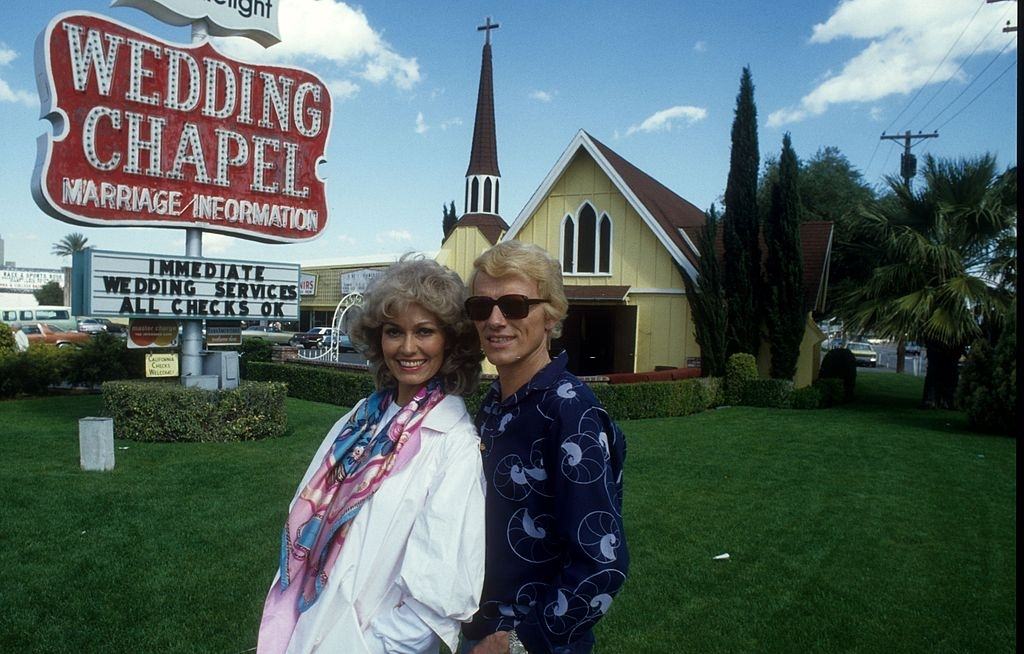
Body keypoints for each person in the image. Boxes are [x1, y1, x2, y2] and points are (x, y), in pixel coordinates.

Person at [258, 256, 486, 654]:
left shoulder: (455, 444)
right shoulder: (361, 419)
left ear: (449, 342)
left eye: (425, 331)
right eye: (394, 331)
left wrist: (365, 646)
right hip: (308, 624)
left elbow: (438, 595)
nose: (408, 347)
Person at [461, 241, 628, 654]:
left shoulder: (570, 412)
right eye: (482, 307)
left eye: (515, 305)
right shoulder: (496, 401)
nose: (495, 320)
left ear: (551, 315)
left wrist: (519, 641)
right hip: (477, 628)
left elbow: (602, 563)